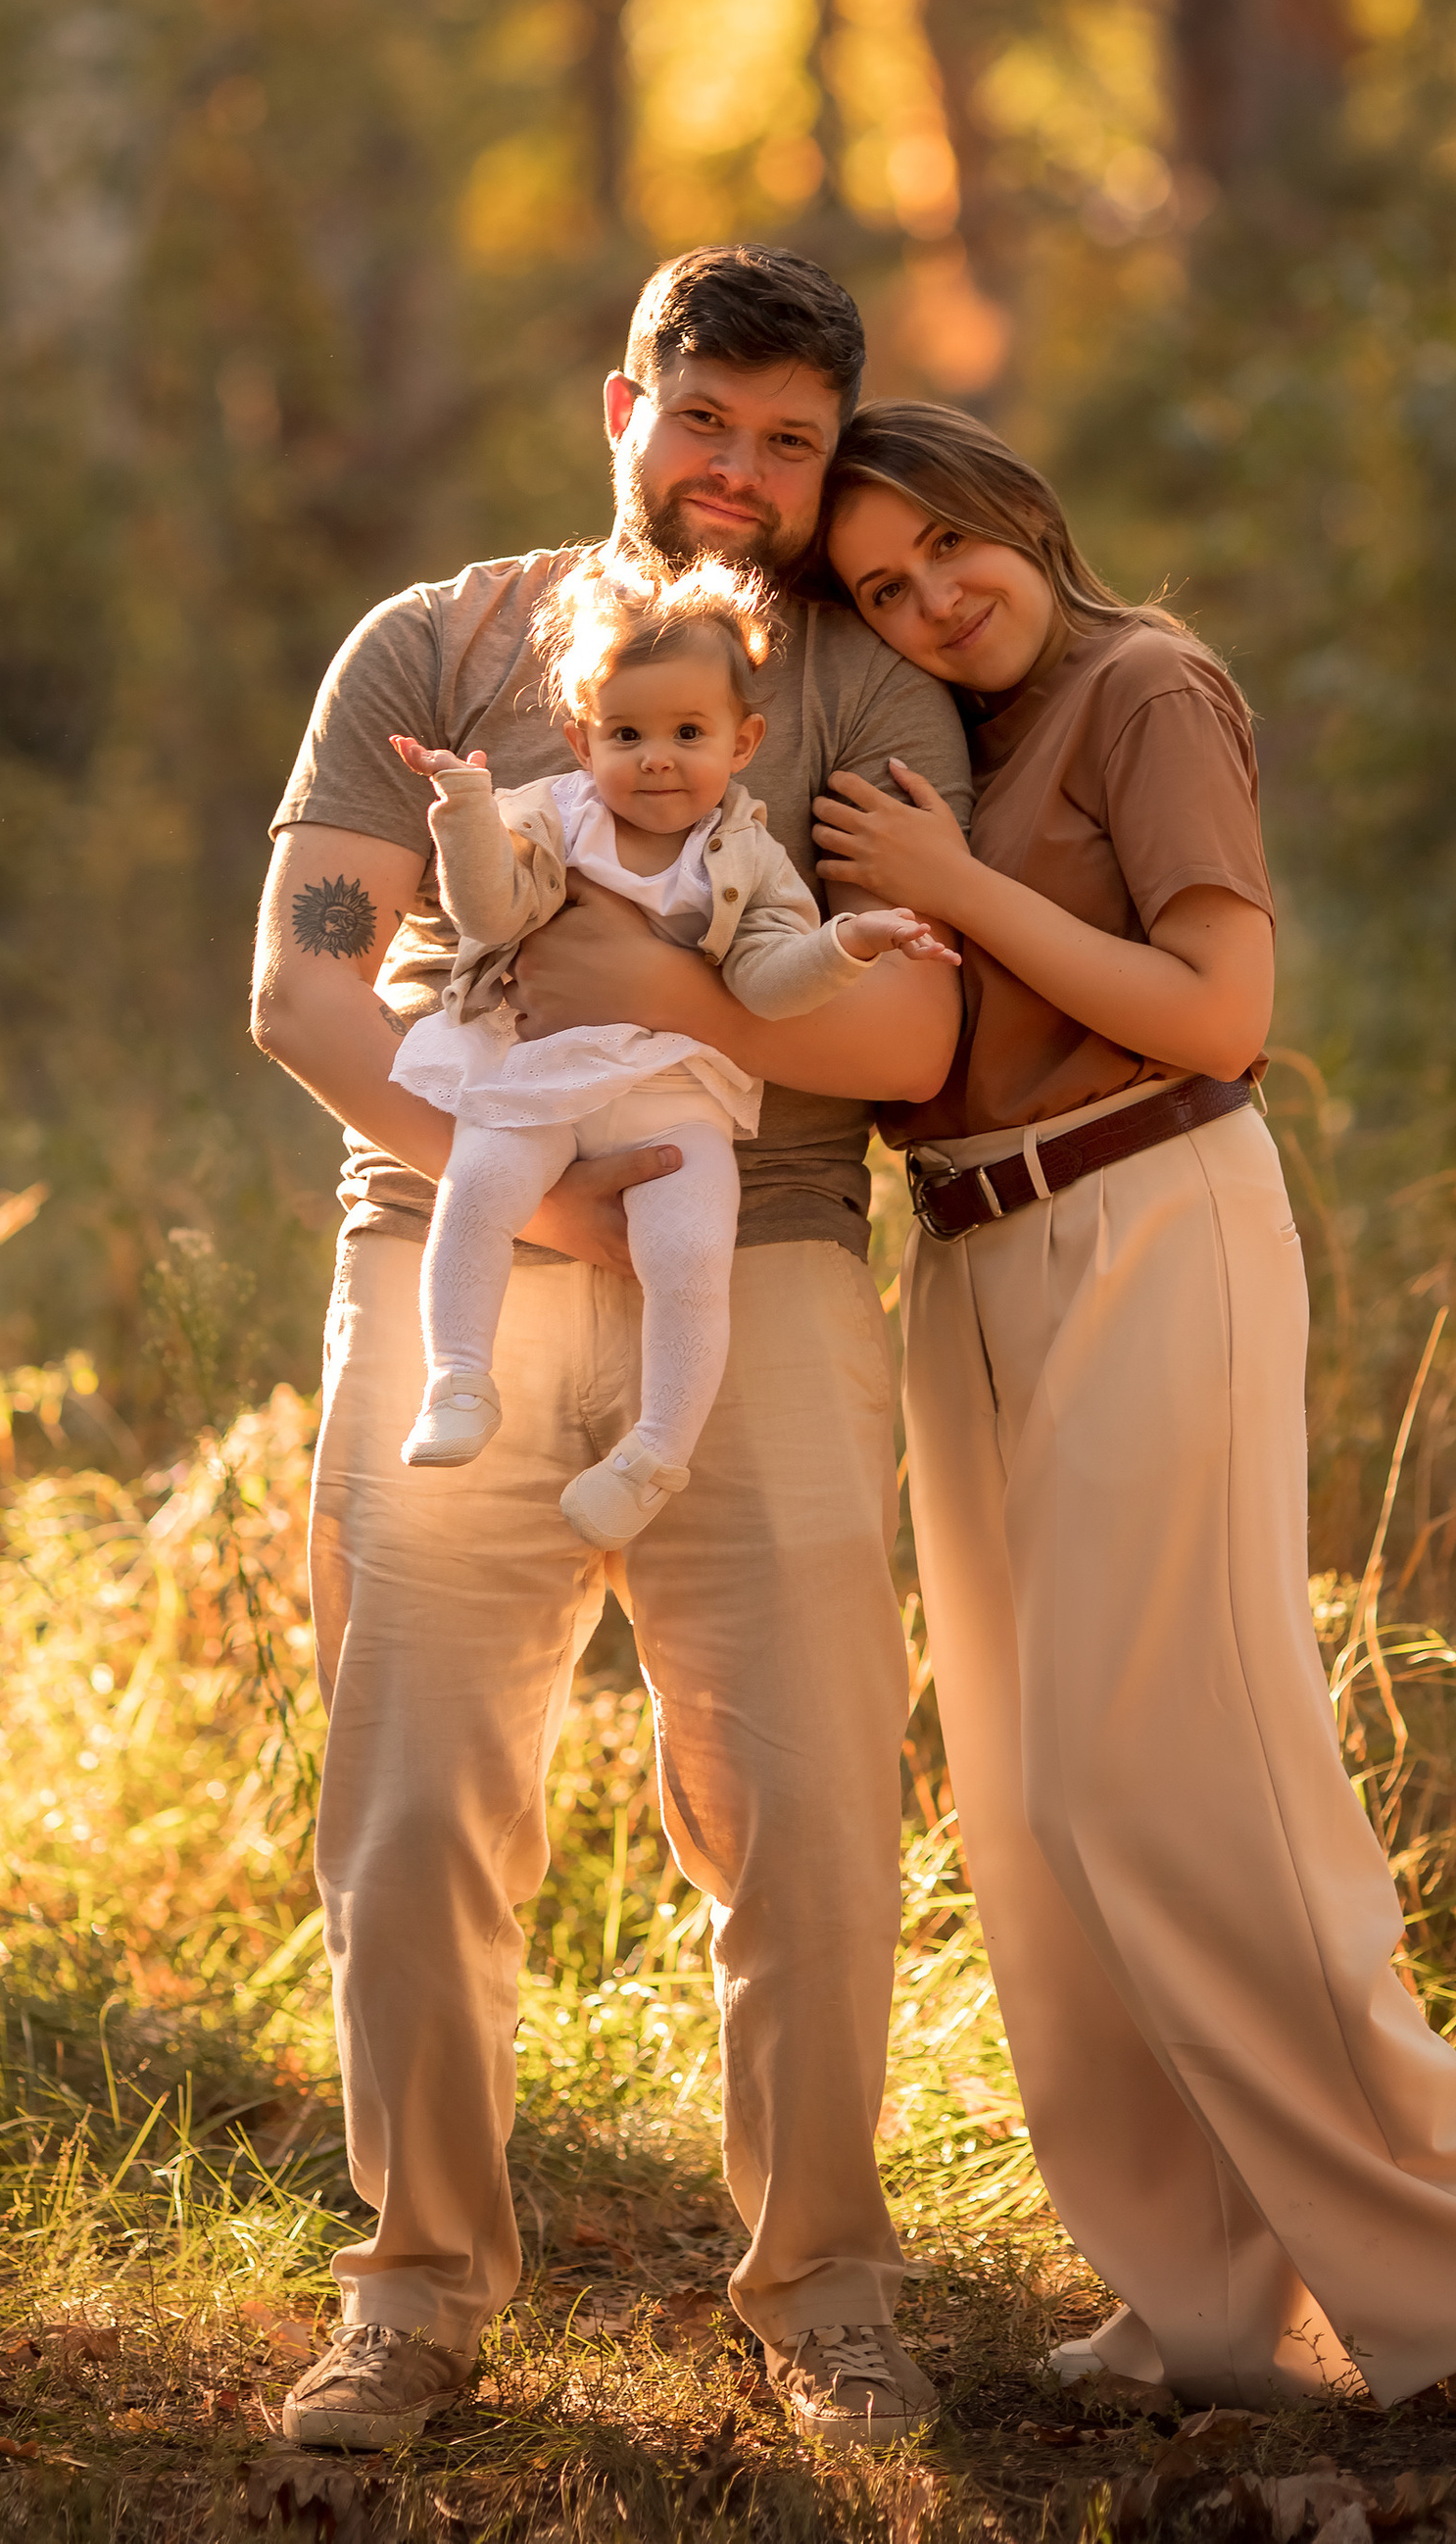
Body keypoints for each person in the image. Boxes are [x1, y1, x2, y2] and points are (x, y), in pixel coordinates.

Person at [811, 398, 1456, 2413]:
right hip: (964, 1253)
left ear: (1017, 510)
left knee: (1173, 1769)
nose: (930, 598)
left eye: (945, 550)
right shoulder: (945, 741)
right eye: (879, 588)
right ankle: (1192, 2291)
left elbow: (1219, 1007)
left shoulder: (1141, 682)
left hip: (1142, 1212)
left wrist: (951, 884)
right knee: (1030, 1803)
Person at [251, 247, 967, 2453]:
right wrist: (548, 1188)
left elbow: (917, 1025)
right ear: (618, 404)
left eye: (789, 438)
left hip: (752, 1277)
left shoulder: (853, 695)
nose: (740, 472)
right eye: (705, 419)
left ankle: (825, 2288)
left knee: (816, 1813)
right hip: (448, 1258)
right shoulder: (435, 640)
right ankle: (415, 2290)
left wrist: (656, 1007)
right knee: (408, 1812)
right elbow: (306, 993)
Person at [388, 550, 954, 1549]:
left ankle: (655, 1451)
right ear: (579, 737)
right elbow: (487, 906)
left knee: (690, 1252)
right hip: (545, 1068)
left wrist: (848, 942)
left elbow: (768, 985)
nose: (656, 757)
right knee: (477, 1188)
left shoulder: (745, 856)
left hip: (675, 1091)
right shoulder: (548, 817)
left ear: (742, 743)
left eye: (687, 733)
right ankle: (458, 1377)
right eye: (626, 733)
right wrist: (465, 809)